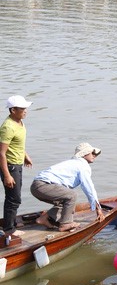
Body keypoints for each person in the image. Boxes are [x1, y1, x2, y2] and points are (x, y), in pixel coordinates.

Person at [30, 143, 105, 232]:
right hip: (43, 185)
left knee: (67, 201)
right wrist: (98, 209)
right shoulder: (82, 165)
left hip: (36, 187)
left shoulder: (73, 163)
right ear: (84, 154)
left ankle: (44, 218)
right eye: (92, 153)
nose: (94, 156)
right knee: (72, 195)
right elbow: (89, 188)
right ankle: (65, 224)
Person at [1, 95, 33, 236]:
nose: (25, 111)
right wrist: (7, 175)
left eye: (26, 108)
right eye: (22, 108)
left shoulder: (20, 122)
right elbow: (1, 153)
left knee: (15, 197)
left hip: (18, 163)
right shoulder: (8, 127)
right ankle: (9, 229)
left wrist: (25, 156)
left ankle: (12, 223)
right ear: (13, 110)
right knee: (13, 198)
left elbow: (17, 144)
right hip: (10, 165)